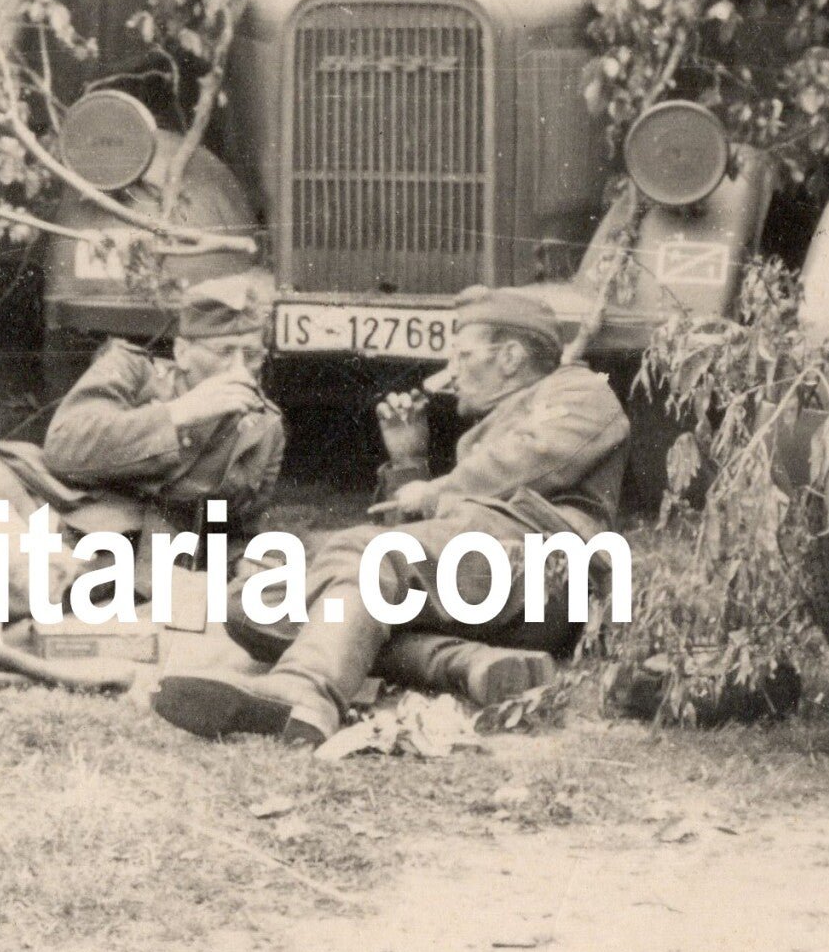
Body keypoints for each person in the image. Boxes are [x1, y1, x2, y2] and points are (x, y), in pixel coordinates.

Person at [152, 286, 630, 746]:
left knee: (367, 551)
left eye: (463, 355)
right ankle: (463, 662)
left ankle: (305, 689)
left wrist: (432, 490)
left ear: (509, 358)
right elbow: (421, 549)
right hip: (487, 580)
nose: (452, 370)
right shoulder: (492, 428)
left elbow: (528, 463)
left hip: (545, 573)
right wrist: (407, 464)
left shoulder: (581, 391)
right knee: (250, 603)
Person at [0, 271, 287, 549]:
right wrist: (179, 413)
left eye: (251, 354)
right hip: (41, 514)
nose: (239, 369)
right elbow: (64, 445)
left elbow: (236, 534)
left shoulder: (263, 428)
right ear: (182, 352)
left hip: (113, 559)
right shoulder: (130, 371)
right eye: (224, 352)